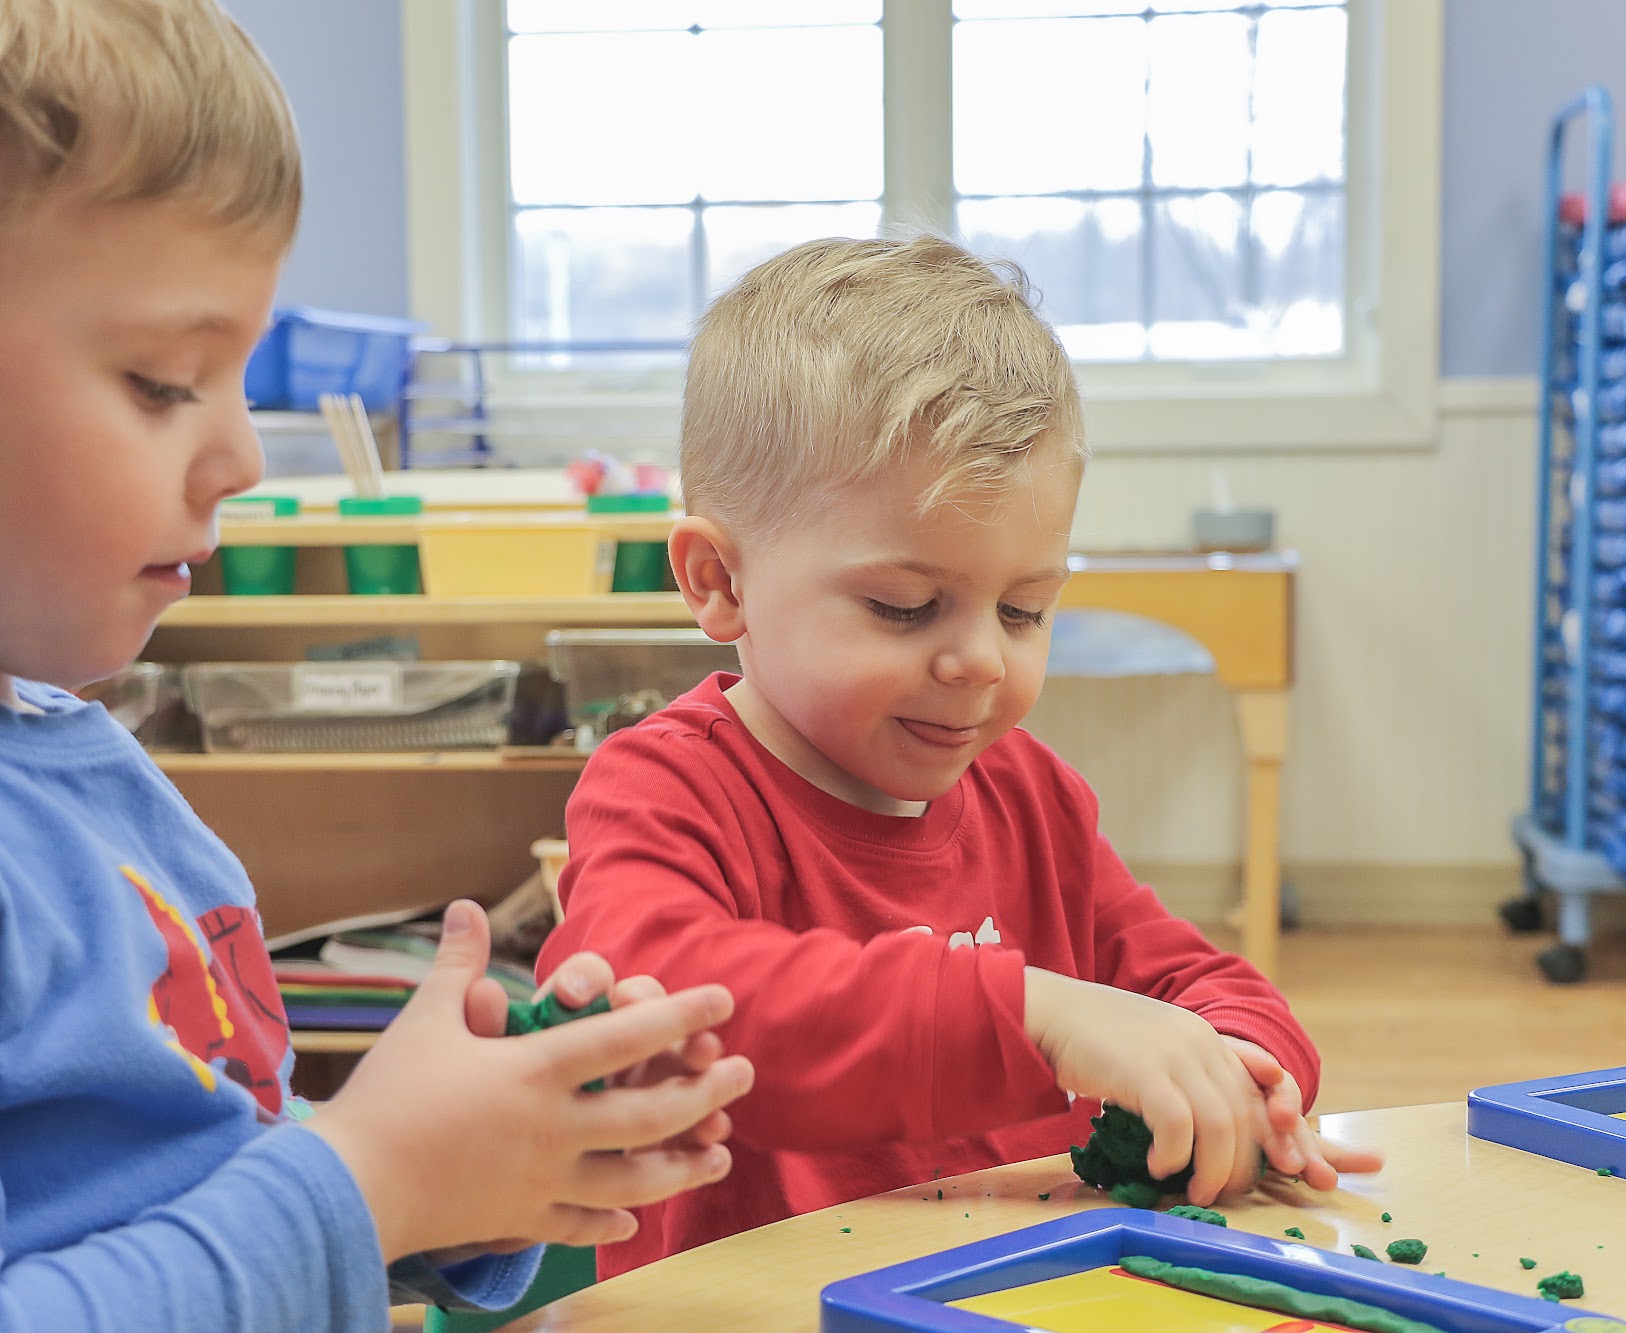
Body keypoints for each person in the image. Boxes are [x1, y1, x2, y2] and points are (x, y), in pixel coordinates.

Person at [0, 3, 751, 1328]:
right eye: (165, 381)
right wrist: (373, 1179)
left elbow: (180, 1195)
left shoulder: (67, 748)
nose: (238, 458)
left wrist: (471, 1165)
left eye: (241, 378)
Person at [537, 235, 1381, 1277]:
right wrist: (1034, 1014)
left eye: (1024, 610)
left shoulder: (1031, 796)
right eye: (905, 606)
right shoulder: (667, 789)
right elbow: (660, 1012)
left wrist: (1237, 1068)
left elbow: (1194, 980)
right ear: (718, 579)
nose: (981, 660)